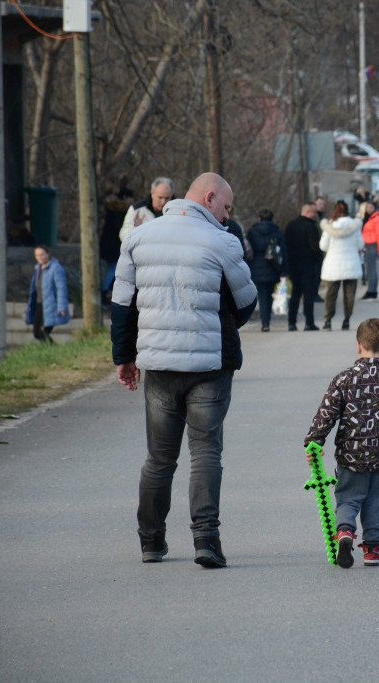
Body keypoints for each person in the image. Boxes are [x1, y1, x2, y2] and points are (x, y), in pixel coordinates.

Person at [111, 172, 257, 568]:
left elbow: (123, 303)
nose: (227, 216)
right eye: (225, 207)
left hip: (158, 365)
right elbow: (245, 305)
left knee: (159, 458)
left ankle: (151, 542)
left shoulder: (139, 238)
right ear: (209, 198)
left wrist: (123, 357)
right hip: (209, 365)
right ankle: (206, 540)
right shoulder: (222, 241)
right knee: (206, 451)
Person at [304, 318, 379, 567]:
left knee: (348, 498)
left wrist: (314, 442)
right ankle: (372, 550)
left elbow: (326, 413)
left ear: (358, 346)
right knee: (377, 502)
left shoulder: (343, 379)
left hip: (349, 455)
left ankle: (344, 532)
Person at [319, 200, 365, 331]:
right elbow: (360, 245)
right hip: (351, 264)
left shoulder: (330, 226)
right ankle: (346, 320)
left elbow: (323, 246)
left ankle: (328, 320)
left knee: (330, 294)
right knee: (349, 294)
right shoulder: (355, 226)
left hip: (333, 265)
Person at [246, 209, 289, 331]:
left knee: (262, 294)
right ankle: (267, 318)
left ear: (259, 218)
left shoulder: (252, 232)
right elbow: (283, 252)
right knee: (269, 293)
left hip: (257, 266)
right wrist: (284, 270)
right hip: (273, 266)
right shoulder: (277, 231)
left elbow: (248, 250)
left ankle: (265, 322)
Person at [284, 203, 323, 330]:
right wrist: (317, 260)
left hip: (293, 265)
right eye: (314, 212)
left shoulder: (290, 226)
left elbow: (285, 246)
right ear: (307, 212)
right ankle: (309, 322)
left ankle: (291, 322)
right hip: (307, 265)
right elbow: (315, 247)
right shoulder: (310, 227)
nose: (316, 215)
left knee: (295, 294)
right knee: (308, 295)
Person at [26, 245, 70, 343]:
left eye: (42, 255)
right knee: (37, 332)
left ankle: (54, 350)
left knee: (44, 332)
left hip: (51, 304)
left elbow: (61, 288)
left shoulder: (56, 268)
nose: (40, 257)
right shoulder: (38, 268)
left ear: (48, 254)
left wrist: (62, 307)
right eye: (37, 255)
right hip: (39, 303)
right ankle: (52, 348)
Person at [100, 187, 135, 304]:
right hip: (113, 246)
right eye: (131, 198)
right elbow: (120, 229)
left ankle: (107, 292)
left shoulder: (112, 209)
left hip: (109, 245)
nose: (132, 201)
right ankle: (104, 292)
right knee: (113, 270)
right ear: (125, 198)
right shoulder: (120, 212)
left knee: (112, 270)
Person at [118, 177, 174, 242]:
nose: (163, 202)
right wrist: (136, 229)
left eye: (167, 198)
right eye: (160, 197)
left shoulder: (178, 212)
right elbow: (124, 236)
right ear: (152, 193)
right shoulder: (137, 210)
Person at [360, 202, 379, 300]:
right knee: (371, 269)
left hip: (371, 245)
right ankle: (372, 291)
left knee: (371, 269)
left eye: (371, 207)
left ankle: (371, 291)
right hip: (368, 245)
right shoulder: (370, 218)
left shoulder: (376, 218)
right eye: (367, 207)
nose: (368, 209)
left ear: (374, 208)